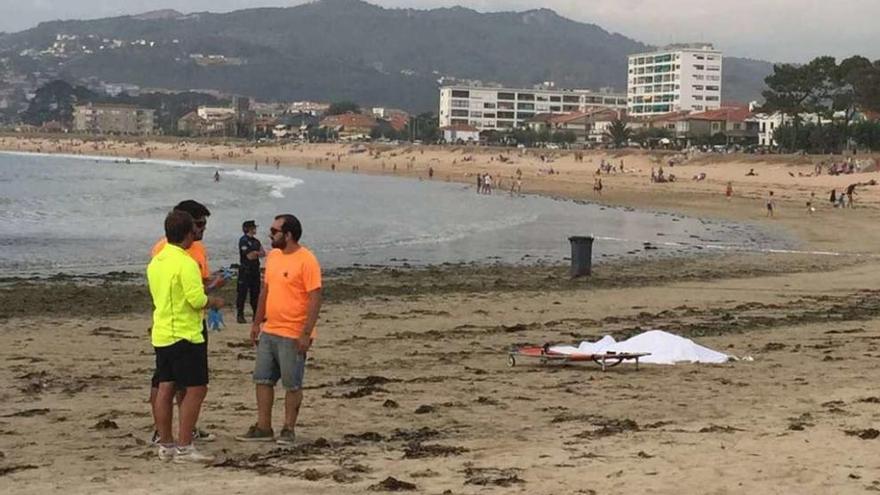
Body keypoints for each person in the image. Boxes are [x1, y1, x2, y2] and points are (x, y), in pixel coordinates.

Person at [237, 214, 322, 445]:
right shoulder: (273, 256)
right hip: (270, 329)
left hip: (293, 333)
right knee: (263, 379)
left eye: (274, 231)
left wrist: (306, 333)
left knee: (292, 383)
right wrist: (256, 322)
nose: (269, 234)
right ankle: (263, 427)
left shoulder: (307, 260)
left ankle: (288, 428)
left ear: (288, 235)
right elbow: (266, 291)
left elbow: (315, 298)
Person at [147, 210, 224, 463]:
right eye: (194, 230)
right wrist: (214, 301)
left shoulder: (157, 261)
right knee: (196, 388)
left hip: (162, 333)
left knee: (165, 386)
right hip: (185, 334)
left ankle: (166, 444)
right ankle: (183, 446)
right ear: (187, 234)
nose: (196, 234)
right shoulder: (185, 262)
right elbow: (196, 299)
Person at [237, 220, 265, 324]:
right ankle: (240, 315)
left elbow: (263, 253)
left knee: (256, 293)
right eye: (254, 228)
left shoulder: (256, 241)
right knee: (242, 293)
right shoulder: (243, 240)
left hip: (255, 270)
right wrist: (256, 253)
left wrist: (255, 253)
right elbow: (249, 256)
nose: (255, 229)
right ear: (249, 229)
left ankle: (256, 315)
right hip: (245, 270)